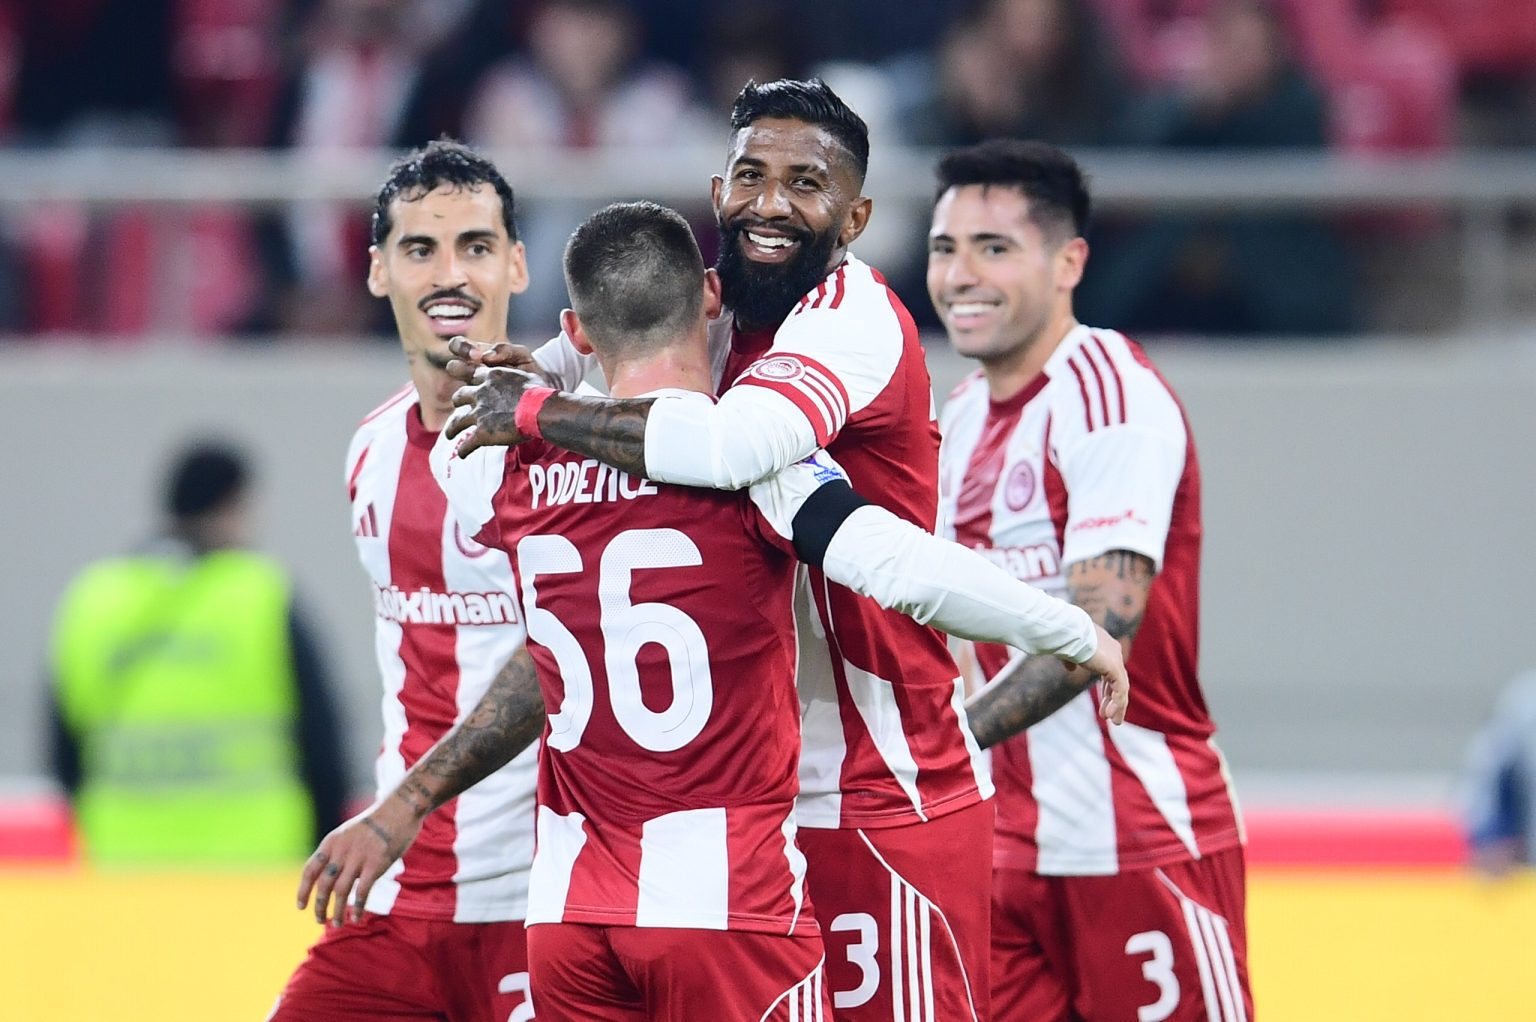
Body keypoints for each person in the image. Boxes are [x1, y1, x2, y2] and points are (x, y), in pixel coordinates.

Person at [300, 199, 1124, 1021]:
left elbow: (459, 458)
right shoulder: (751, 464)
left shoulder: (508, 469)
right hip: (727, 909)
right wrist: (1072, 631)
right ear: (709, 296)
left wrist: (539, 379)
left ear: (576, 331)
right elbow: (903, 568)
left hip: (565, 913)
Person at [928, 138, 1250, 1021]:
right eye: (945, 248)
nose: (960, 276)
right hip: (1003, 850)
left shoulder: (1108, 392)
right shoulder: (959, 416)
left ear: (1069, 262)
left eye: (994, 247)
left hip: (1138, 837)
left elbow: (1100, 626)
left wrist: (944, 747)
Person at [272, 140, 538, 1022]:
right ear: (378, 271)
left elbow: (563, 658)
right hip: (393, 897)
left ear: (516, 265)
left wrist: (403, 806)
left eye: (475, 246)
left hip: (538, 903)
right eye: (420, 249)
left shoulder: (562, 450)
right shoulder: (372, 449)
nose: (449, 274)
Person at [47, 441, 344, 866]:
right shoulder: (261, 594)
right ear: (233, 504)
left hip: (124, 863)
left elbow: (63, 751)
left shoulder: (93, 600)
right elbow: (322, 743)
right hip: (255, 862)